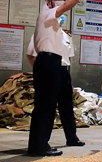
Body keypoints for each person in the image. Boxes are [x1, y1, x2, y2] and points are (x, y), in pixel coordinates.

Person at [28, 0, 93, 157]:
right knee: (45, 107)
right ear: (49, 1)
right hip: (47, 61)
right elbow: (66, 7)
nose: (62, 2)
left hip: (53, 63)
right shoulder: (46, 14)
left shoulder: (56, 26)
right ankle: (39, 146)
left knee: (47, 106)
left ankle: (39, 144)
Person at [27, 15, 85, 148]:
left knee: (67, 106)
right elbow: (31, 55)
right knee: (48, 107)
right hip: (48, 70)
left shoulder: (66, 36)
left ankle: (72, 138)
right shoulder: (42, 34)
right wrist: (42, 72)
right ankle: (42, 142)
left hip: (63, 71)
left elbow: (69, 57)